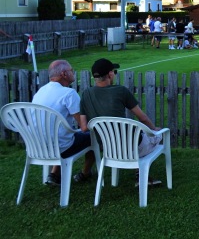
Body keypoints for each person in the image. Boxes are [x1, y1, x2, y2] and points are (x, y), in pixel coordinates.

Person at [79, 58, 163, 186]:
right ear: (110, 74)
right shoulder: (120, 91)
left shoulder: (85, 94)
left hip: (108, 149)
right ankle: (141, 174)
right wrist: (154, 129)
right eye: (114, 71)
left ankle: (139, 172)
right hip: (132, 146)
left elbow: (84, 128)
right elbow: (143, 118)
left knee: (131, 137)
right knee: (158, 134)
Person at [31, 60, 94, 185]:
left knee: (60, 134)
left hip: (37, 145)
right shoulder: (69, 94)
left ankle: (54, 174)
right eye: (71, 70)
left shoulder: (41, 91)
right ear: (64, 74)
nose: (73, 72)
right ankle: (85, 173)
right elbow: (84, 126)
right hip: (60, 146)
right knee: (92, 137)